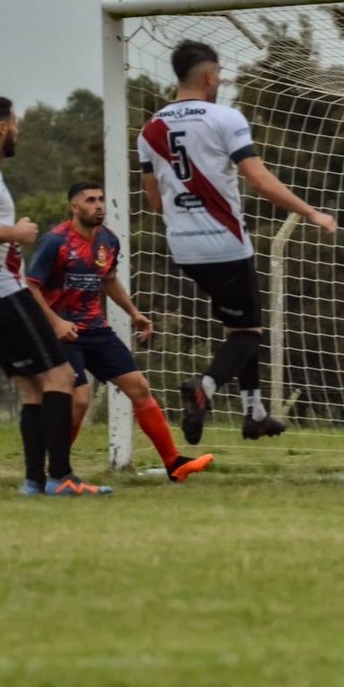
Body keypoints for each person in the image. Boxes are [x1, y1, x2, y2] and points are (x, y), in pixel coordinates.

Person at [137, 40, 337, 445]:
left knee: (241, 326)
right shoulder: (225, 118)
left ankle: (255, 413)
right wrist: (311, 212)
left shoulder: (150, 129)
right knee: (247, 333)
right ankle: (204, 388)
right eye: (220, 75)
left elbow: (154, 198)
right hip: (224, 243)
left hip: (183, 247)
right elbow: (259, 180)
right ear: (209, 76)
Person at [0, 94, 110, 496]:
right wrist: (15, 234)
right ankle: (61, 477)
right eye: (15, 123)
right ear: (2, 127)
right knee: (60, 377)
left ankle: (34, 481)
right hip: (0, 294)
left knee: (33, 388)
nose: (17, 130)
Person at [27, 182, 214, 482]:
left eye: (101, 199)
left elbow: (109, 280)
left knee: (139, 387)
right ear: (74, 207)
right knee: (79, 400)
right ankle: (54, 472)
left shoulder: (108, 241)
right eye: (90, 200)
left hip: (96, 329)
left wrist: (135, 314)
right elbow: (31, 286)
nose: (98, 205)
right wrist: (56, 323)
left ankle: (174, 464)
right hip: (62, 331)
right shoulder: (55, 241)